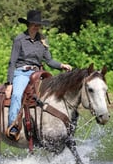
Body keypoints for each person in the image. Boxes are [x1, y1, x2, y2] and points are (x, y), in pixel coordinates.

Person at [5, 9, 72, 140]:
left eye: (38, 25)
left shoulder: (42, 40)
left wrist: (61, 65)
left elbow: (49, 60)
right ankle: (13, 126)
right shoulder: (19, 39)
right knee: (17, 95)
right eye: (34, 24)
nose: (36, 27)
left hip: (38, 73)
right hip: (22, 72)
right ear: (28, 24)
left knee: (52, 96)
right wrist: (9, 83)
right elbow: (12, 62)